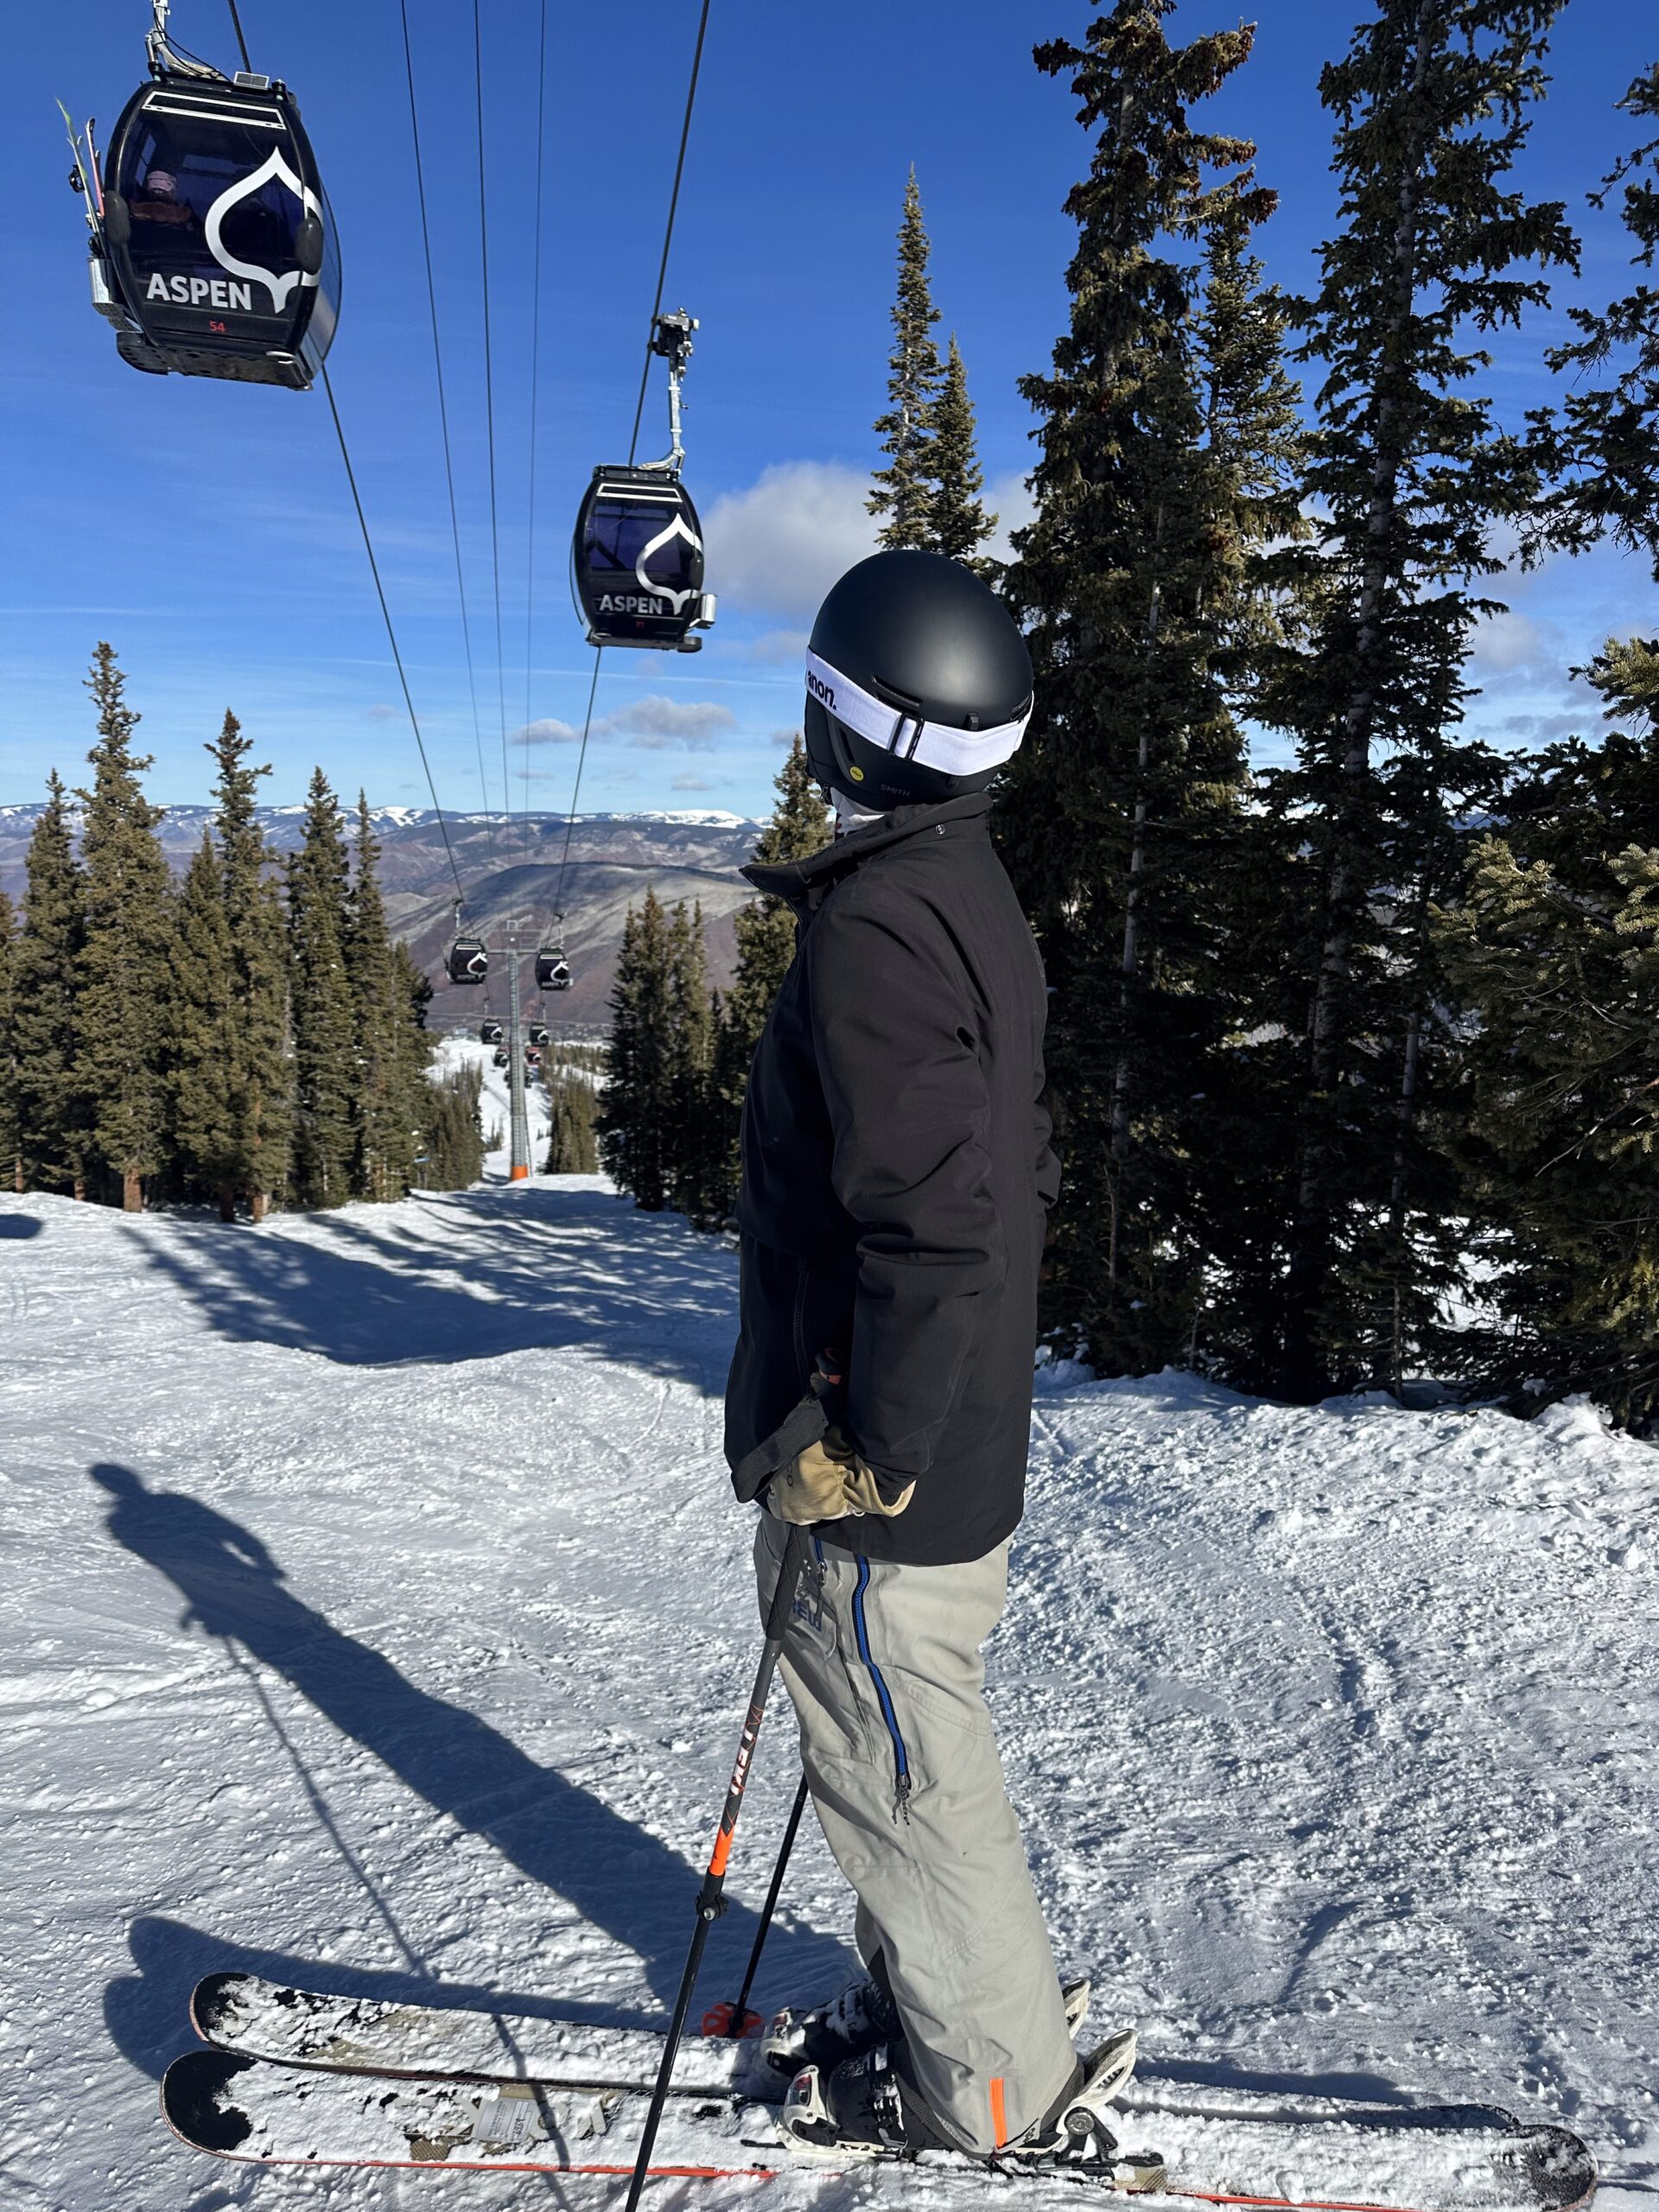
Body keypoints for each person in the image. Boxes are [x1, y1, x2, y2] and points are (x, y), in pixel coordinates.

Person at [724, 550, 1135, 2166]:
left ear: (848, 720)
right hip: (931, 1420)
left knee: (904, 1758)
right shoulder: (961, 886)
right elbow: (987, 1173)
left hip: (893, 1452)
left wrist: (866, 1441)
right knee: (886, 1739)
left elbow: (937, 1225)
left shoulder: (878, 930)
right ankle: (938, 2005)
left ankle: (994, 2087)